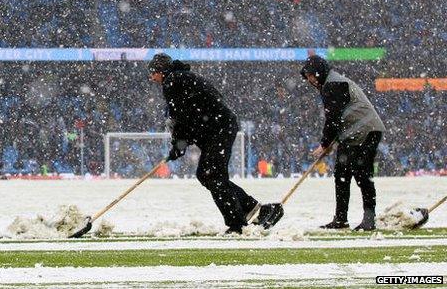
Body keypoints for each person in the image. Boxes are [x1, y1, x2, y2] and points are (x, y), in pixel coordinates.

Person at [148, 53, 273, 234]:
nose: (152, 78)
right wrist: (180, 143)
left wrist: (179, 145)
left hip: (218, 129)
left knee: (213, 175)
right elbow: (189, 115)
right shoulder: (181, 78)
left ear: (161, 70)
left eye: (153, 73)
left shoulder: (172, 81)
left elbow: (181, 117)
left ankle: (237, 224)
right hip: (216, 128)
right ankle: (255, 209)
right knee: (207, 175)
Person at [301, 55, 385, 231]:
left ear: (319, 71)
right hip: (352, 133)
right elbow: (337, 119)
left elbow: (333, 118)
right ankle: (340, 219)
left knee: (362, 174)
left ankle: (369, 219)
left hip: (367, 130)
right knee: (341, 174)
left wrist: (325, 144)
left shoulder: (334, 84)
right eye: (308, 77)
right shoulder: (329, 84)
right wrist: (331, 141)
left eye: (311, 75)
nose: (310, 80)